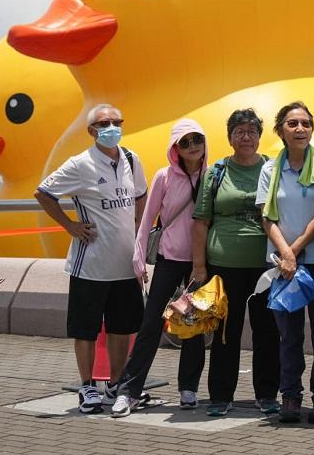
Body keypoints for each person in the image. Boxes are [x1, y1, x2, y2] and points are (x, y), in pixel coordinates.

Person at [35, 104, 147, 415]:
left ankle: (115, 383)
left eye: (115, 121)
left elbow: (140, 195)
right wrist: (69, 225)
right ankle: (87, 386)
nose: (111, 127)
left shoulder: (131, 159)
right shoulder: (80, 164)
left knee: (122, 327)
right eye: (103, 123)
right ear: (91, 131)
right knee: (85, 329)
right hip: (91, 264)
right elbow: (44, 192)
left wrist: (139, 231)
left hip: (125, 265)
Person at [110, 119, 208, 417]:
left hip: (199, 263)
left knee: (193, 327)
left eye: (197, 140)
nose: (192, 146)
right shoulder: (164, 177)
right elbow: (147, 218)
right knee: (150, 324)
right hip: (168, 259)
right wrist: (139, 258)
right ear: (175, 148)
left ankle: (188, 389)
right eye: (185, 142)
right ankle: (129, 391)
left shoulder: (213, 176)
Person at [190, 108, 280, 417]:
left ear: (259, 136)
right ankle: (220, 396)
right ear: (230, 137)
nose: (246, 137)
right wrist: (199, 266)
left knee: (267, 331)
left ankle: (268, 394)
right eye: (239, 131)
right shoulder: (216, 172)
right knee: (225, 332)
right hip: (223, 264)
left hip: (265, 266)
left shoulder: (272, 168)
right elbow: (201, 221)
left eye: (251, 132)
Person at [255, 101, 314, 424]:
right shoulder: (270, 170)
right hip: (283, 267)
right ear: (281, 131)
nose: (300, 129)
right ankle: (290, 396)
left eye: (305, 123)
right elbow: (266, 217)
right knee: (289, 335)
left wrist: (294, 249)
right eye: (292, 123)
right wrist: (286, 254)